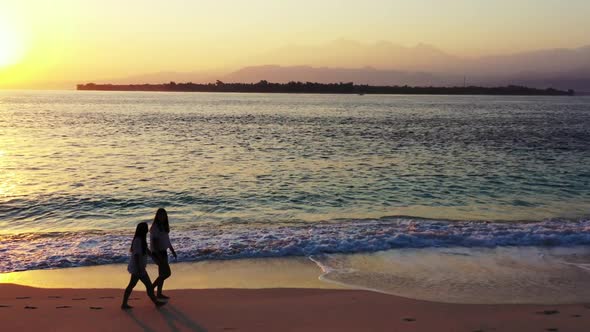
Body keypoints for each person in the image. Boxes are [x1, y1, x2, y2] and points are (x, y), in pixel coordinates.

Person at [121, 222, 165, 309]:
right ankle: (156, 302)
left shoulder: (141, 239)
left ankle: (124, 304)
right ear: (142, 230)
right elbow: (137, 255)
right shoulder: (138, 240)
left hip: (139, 267)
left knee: (133, 285)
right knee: (147, 285)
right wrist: (139, 268)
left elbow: (146, 250)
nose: (147, 230)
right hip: (138, 268)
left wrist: (153, 257)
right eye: (146, 228)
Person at [150, 208, 177, 299]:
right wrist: (158, 255)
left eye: (164, 215)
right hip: (157, 252)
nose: (162, 217)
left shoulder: (164, 226)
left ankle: (158, 293)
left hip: (163, 251)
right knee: (166, 273)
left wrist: (172, 250)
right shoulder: (155, 227)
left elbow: (167, 240)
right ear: (157, 216)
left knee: (162, 274)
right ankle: (151, 289)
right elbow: (154, 242)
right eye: (160, 215)